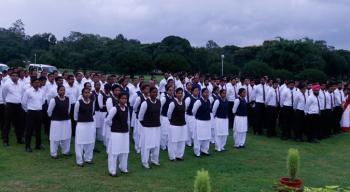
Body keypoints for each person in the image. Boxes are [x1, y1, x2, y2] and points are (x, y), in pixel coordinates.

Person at [105, 93, 129, 177]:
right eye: (122, 98)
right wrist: (113, 125)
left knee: (124, 151)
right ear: (118, 99)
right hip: (116, 133)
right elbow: (107, 120)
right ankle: (112, 170)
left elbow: (127, 120)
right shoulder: (114, 109)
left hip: (125, 133)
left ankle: (123, 168)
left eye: (125, 98)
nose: (124, 100)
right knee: (114, 152)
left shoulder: (126, 108)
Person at [138, 87, 161, 169]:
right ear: (149, 93)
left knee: (156, 145)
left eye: (156, 92)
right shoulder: (145, 103)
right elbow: (140, 117)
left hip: (157, 126)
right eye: (153, 92)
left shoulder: (159, 102)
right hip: (147, 128)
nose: (155, 94)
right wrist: (146, 125)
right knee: (147, 145)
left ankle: (155, 160)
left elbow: (159, 113)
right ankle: (145, 162)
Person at [47, 85, 72, 158]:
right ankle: (53, 153)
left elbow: (69, 110)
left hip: (66, 121)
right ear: (57, 91)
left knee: (66, 137)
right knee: (55, 138)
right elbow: (49, 112)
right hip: (56, 122)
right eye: (61, 90)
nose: (62, 91)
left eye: (63, 90)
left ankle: (65, 151)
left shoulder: (68, 99)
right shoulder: (53, 100)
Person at [22, 77, 45, 152]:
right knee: (29, 130)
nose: (37, 84)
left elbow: (43, 101)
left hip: (39, 112)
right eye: (35, 82)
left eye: (38, 82)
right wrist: (27, 110)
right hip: (31, 112)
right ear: (32, 83)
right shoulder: (28, 91)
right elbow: (24, 103)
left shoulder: (41, 91)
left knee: (38, 129)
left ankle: (38, 145)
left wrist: (38, 107)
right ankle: (27, 146)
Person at [74, 88, 96, 167]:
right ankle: (79, 160)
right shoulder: (78, 103)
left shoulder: (92, 102)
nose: (87, 94)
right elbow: (75, 115)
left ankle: (88, 158)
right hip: (81, 124)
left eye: (88, 93)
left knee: (90, 141)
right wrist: (79, 122)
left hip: (90, 124)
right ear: (82, 94)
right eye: (85, 93)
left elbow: (92, 112)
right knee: (80, 142)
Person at [2, 72, 24, 146]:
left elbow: (22, 94)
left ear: (18, 77)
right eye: (13, 76)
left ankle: (19, 139)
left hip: (18, 105)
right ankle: (5, 140)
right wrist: (6, 102)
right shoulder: (7, 85)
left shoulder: (21, 85)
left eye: (16, 76)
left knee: (19, 123)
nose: (15, 77)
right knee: (7, 123)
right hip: (10, 105)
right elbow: (4, 94)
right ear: (10, 77)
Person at [167, 88, 187, 161]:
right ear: (175, 94)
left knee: (182, 140)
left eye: (181, 93)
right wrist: (172, 121)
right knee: (173, 141)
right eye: (178, 93)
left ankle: (179, 155)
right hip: (174, 125)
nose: (180, 94)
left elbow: (185, 112)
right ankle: (172, 156)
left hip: (183, 125)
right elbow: (169, 114)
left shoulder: (184, 102)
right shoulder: (173, 103)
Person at [192, 88, 212, 157]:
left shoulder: (209, 101)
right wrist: (198, 116)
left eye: (207, 92)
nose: (206, 94)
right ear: (202, 93)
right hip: (200, 121)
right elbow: (194, 111)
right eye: (205, 92)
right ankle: (197, 151)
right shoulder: (199, 101)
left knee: (207, 136)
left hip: (207, 121)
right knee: (198, 137)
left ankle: (205, 150)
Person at [132, 84, 150, 154]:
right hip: (139, 118)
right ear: (142, 90)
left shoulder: (149, 98)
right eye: (146, 89)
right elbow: (135, 107)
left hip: (147, 118)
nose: (148, 90)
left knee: (144, 133)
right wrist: (138, 114)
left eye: (148, 89)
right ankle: (137, 147)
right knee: (138, 133)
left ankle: (144, 146)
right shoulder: (139, 98)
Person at [160, 84, 173, 150]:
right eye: (169, 90)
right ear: (166, 91)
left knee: (169, 132)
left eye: (172, 90)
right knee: (164, 132)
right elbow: (160, 107)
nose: (171, 92)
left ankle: (168, 144)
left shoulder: (173, 98)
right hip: (164, 117)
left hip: (171, 118)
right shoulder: (164, 98)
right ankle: (163, 145)